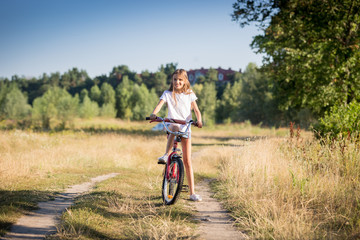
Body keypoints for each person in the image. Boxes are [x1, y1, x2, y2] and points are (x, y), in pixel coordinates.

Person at [150, 69, 203, 202]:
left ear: (185, 81)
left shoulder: (189, 94)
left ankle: (192, 193)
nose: (177, 82)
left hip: (185, 126)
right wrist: (153, 114)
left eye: (180, 80)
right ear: (172, 81)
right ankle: (166, 155)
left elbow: (196, 110)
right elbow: (159, 105)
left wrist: (199, 120)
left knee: (187, 161)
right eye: (175, 79)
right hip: (172, 124)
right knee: (173, 126)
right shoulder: (167, 94)